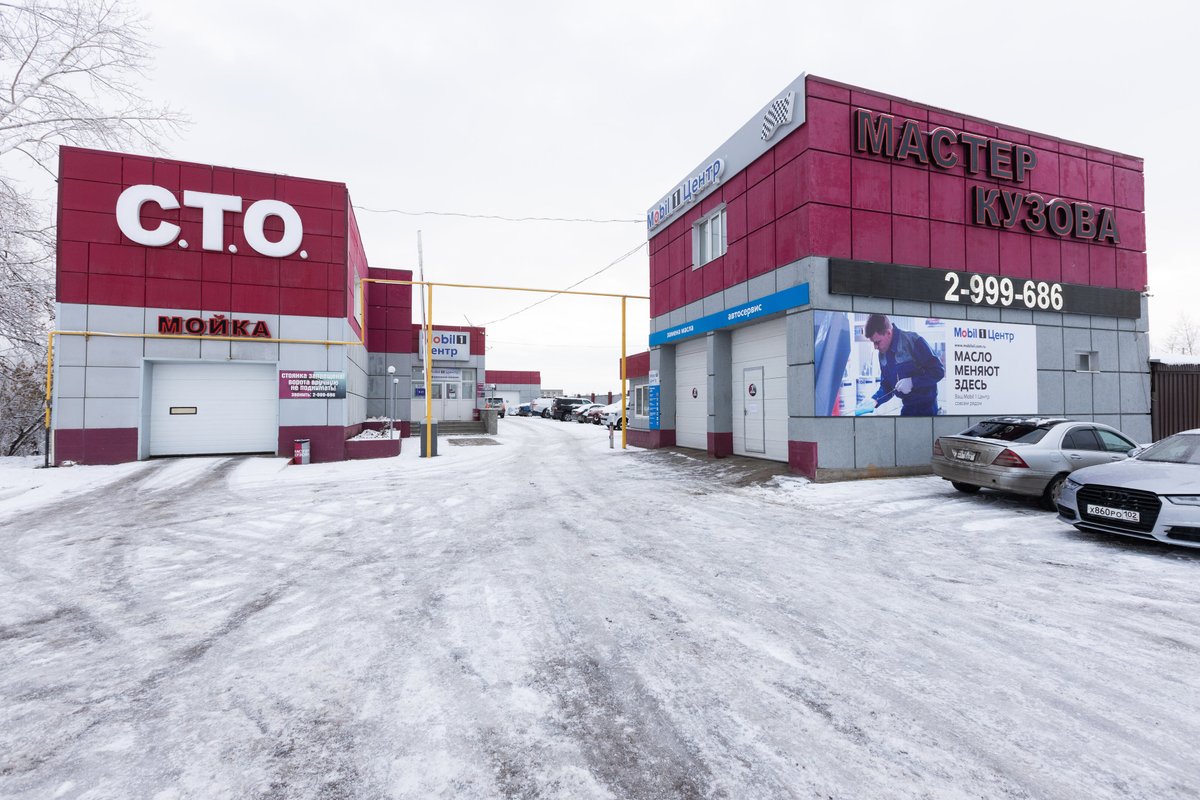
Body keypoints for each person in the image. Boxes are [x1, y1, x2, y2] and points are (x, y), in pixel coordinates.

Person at [861, 314, 944, 416]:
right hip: (907, 407)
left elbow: (938, 371)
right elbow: (887, 386)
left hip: (927, 409)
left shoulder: (913, 341)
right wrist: (875, 400)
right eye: (873, 343)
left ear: (888, 333)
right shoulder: (882, 354)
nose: (875, 347)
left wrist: (912, 382)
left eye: (877, 342)